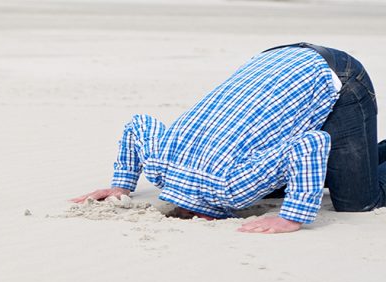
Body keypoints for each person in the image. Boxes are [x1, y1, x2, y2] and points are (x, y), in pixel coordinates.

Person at [72, 43, 386, 234]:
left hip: (336, 75)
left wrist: (293, 217)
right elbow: (138, 125)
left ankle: (361, 170)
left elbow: (312, 144)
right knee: (280, 184)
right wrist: (121, 185)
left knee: (358, 201)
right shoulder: (159, 168)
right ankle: (359, 162)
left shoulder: (231, 188)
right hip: (276, 62)